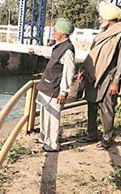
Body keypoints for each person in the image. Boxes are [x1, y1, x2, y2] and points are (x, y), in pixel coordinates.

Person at [79, 1, 121, 150]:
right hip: (94, 75)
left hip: (109, 77)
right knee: (91, 104)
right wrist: (85, 71)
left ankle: (107, 139)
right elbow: (94, 55)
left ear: (108, 18)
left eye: (101, 16)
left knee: (107, 108)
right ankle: (91, 134)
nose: (99, 18)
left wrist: (116, 82)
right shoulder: (102, 33)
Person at [36, 18, 76, 152]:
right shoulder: (58, 45)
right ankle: (44, 138)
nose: (53, 32)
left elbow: (68, 72)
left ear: (63, 33)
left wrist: (63, 92)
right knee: (44, 114)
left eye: (56, 30)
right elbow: (50, 54)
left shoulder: (68, 50)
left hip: (54, 89)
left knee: (52, 118)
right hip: (47, 86)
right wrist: (37, 51)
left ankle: (52, 144)